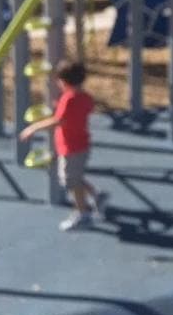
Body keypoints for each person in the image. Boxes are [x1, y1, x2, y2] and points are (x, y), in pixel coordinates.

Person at [19, 60, 107, 231]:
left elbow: (58, 121)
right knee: (76, 176)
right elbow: (81, 111)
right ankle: (96, 196)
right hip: (81, 145)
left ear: (64, 81)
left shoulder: (68, 99)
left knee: (69, 180)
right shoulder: (85, 97)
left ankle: (83, 214)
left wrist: (33, 128)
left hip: (71, 148)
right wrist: (61, 107)